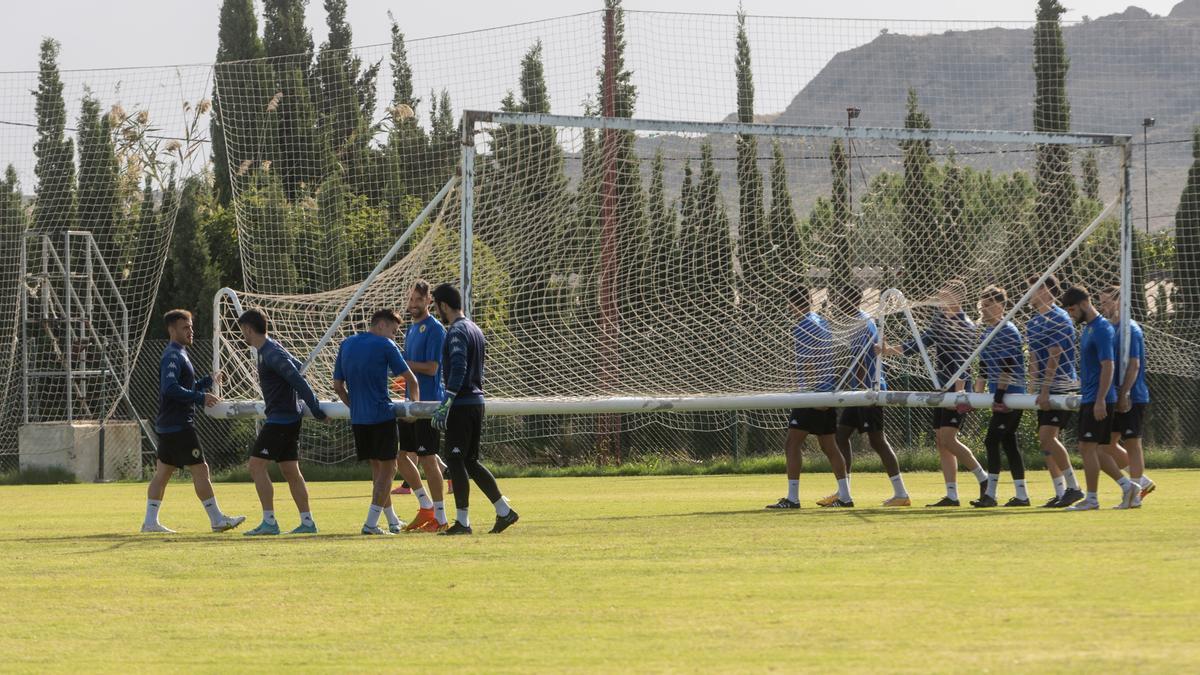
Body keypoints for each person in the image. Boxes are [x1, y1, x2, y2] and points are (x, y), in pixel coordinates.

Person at [880, 280, 988, 507]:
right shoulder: (940, 322)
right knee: (941, 441)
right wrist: (888, 351)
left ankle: (984, 478)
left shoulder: (964, 325)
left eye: (944, 296)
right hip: (941, 389)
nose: (939, 300)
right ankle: (951, 495)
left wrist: (958, 394)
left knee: (949, 438)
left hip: (957, 390)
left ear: (957, 299)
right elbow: (918, 344)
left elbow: (963, 363)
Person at [141, 309, 246, 534]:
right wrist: (201, 397)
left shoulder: (180, 353)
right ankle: (217, 519)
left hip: (170, 424)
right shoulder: (172, 355)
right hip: (179, 425)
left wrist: (207, 381)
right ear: (172, 330)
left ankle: (150, 522)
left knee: (163, 473)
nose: (191, 331)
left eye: (191, 327)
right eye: (185, 327)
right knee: (201, 469)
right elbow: (169, 389)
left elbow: (183, 387)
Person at [430, 283, 519, 535]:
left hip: (462, 403)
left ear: (444, 305)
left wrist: (446, 403)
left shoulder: (457, 331)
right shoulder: (475, 328)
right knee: (470, 461)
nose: (436, 310)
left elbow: (458, 368)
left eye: (436, 305)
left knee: (456, 460)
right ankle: (504, 511)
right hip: (476, 401)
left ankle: (463, 522)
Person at [237, 309, 328, 535]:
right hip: (287, 418)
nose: (243, 336)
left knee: (256, 466)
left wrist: (315, 408)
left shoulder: (271, 353)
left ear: (248, 328)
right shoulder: (270, 349)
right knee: (290, 470)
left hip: (281, 420)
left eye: (243, 331)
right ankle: (307, 523)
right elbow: (297, 365)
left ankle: (269, 522)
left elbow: (296, 378)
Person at [333, 309, 421, 535]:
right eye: (393, 331)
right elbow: (412, 380)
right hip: (381, 416)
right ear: (381, 325)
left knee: (377, 470)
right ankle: (371, 524)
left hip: (359, 419)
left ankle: (392, 521)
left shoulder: (346, 344)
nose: (394, 337)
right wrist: (413, 409)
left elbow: (338, 387)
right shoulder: (385, 345)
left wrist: (355, 406)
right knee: (389, 469)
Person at [766, 286, 853, 509]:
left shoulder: (803, 325)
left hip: (812, 395)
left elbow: (809, 362)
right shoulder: (822, 322)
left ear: (792, 303)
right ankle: (845, 496)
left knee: (792, 443)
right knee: (829, 445)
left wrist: (812, 394)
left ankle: (793, 498)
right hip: (826, 392)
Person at [1058, 286, 1141, 511]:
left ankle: (1093, 498)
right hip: (1090, 396)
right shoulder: (1088, 329)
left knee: (1086, 447)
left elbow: (1109, 365)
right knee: (1096, 449)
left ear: (1085, 304)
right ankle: (1128, 486)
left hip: (1099, 398)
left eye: (1072, 309)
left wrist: (1101, 400)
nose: (1071, 314)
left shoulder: (1103, 328)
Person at [828, 286, 910, 507]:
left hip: (869, 390)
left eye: (841, 296)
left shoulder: (863, 324)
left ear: (853, 300)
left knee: (877, 440)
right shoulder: (857, 321)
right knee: (841, 435)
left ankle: (901, 493)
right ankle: (844, 492)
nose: (837, 301)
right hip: (860, 391)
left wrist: (865, 392)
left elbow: (865, 361)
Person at [1025, 274, 1085, 508]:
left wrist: (1046, 388)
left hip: (1061, 386)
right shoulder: (1033, 321)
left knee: (1047, 436)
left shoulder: (1059, 317)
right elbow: (1032, 356)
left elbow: (1055, 354)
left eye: (1033, 290)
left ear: (1046, 291)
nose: (1029, 294)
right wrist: (1033, 385)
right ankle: (1061, 492)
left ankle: (1074, 488)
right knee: (1047, 441)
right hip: (1043, 389)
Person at [396, 280, 450, 531]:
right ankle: (425, 505)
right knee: (402, 456)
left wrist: (403, 366)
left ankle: (440, 518)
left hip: (428, 404)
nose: (413, 304)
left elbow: (432, 368)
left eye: (419, 299)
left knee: (428, 459)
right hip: (411, 403)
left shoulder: (435, 329)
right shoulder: (410, 329)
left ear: (429, 301)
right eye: (411, 299)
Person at [970, 286, 1030, 507]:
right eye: (982, 305)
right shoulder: (987, 332)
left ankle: (991, 494)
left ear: (1001, 305)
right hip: (1000, 396)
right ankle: (1022, 495)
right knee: (1008, 444)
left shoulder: (1007, 330)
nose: (983, 310)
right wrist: (977, 396)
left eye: (988, 305)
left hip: (1012, 396)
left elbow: (1008, 366)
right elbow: (984, 368)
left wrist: (1000, 396)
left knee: (991, 440)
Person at [1097, 286, 1156, 504]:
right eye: (1101, 302)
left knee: (1132, 443)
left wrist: (1124, 394)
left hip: (1133, 396)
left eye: (1107, 302)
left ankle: (1136, 496)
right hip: (1113, 395)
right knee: (1105, 446)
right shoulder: (1109, 329)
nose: (1104, 307)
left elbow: (1134, 366)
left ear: (1120, 301)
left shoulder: (1131, 329)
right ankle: (1141, 482)